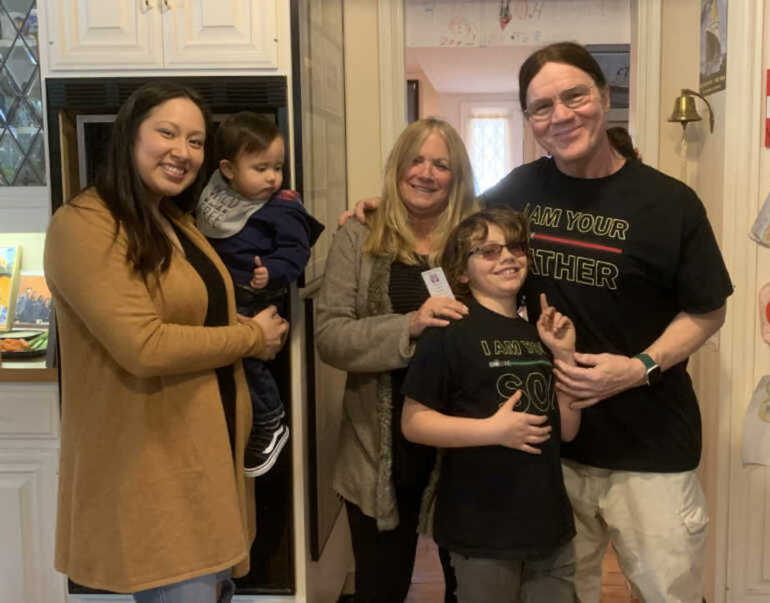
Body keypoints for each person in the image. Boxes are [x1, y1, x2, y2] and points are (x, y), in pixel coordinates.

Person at [479, 41, 733, 602]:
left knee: (668, 593)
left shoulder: (670, 203)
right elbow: (452, 232)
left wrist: (639, 366)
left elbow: (707, 309)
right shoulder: (518, 191)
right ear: (529, 120)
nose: (561, 115)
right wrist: (378, 209)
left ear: (604, 96)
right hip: (554, 446)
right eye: (541, 106)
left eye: (575, 96)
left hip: (652, 449)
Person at [44, 82, 289, 602]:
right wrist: (250, 337)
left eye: (197, 141)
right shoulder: (85, 225)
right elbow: (143, 345)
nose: (183, 152)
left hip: (205, 463)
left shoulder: (172, 219)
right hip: (156, 470)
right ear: (130, 134)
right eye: (168, 133)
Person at [316, 117, 478, 603]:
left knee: (470, 589)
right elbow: (330, 336)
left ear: (458, 176)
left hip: (464, 450)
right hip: (379, 451)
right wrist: (408, 325)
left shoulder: (475, 237)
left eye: (441, 164)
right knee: (381, 589)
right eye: (416, 159)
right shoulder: (359, 237)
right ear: (398, 166)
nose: (426, 173)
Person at [401, 207, 581, 603]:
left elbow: (566, 429)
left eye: (516, 248)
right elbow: (414, 423)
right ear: (462, 272)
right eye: (488, 251)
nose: (507, 257)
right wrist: (494, 431)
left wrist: (564, 356)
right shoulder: (450, 329)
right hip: (482, 529)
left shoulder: (537, 333)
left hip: (550, 524)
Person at [196, 111, 323, 477]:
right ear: (228, 170)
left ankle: (271, 419)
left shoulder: (282, 207)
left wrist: (273, 272)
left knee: (248, 360)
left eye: (277, 167)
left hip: (256, 296)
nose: (272, 177)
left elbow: (297, 252)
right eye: (260, 167)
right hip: (223, 295)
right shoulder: (216, 195)